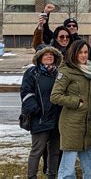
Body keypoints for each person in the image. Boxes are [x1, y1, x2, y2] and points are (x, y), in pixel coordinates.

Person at [50, 40, 91, 178]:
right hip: (71, 125)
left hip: (88, 125)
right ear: (74, 53)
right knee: (68, 171)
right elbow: (55, 96)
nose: (83, 55)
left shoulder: (90, 71)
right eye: (80, 52)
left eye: (85, 52)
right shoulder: (66, 71)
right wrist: (76, 102)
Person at [21, 44, 63, 179]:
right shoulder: (32, 73)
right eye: (46, 54)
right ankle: (31, 176)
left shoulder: (59, 73)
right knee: (37, 151)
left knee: (55, 151)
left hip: (57, 119)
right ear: (39, 58)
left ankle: (52, 175)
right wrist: (36, 110)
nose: (49, 56)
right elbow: (26, 93)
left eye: (51, 54)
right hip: (40, 119)